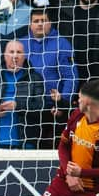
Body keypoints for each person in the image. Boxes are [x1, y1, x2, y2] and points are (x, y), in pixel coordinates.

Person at [20, 9, 78, 148]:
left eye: (43, 20)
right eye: (36, 21)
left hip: (53, 108)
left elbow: (71, 76)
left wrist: (63, 103)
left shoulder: (62, 43)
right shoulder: (21, 44)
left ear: (50, 22)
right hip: (28, 107)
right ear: (29, 24)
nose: (40, 24)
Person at [0, 40, 45, 148]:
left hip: (25, 143)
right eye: (11, 52)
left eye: (19, 52)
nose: (15, 56)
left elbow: (41, 109)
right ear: (5, 55)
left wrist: (17, 106)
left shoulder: (35, 78)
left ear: (24, 56)